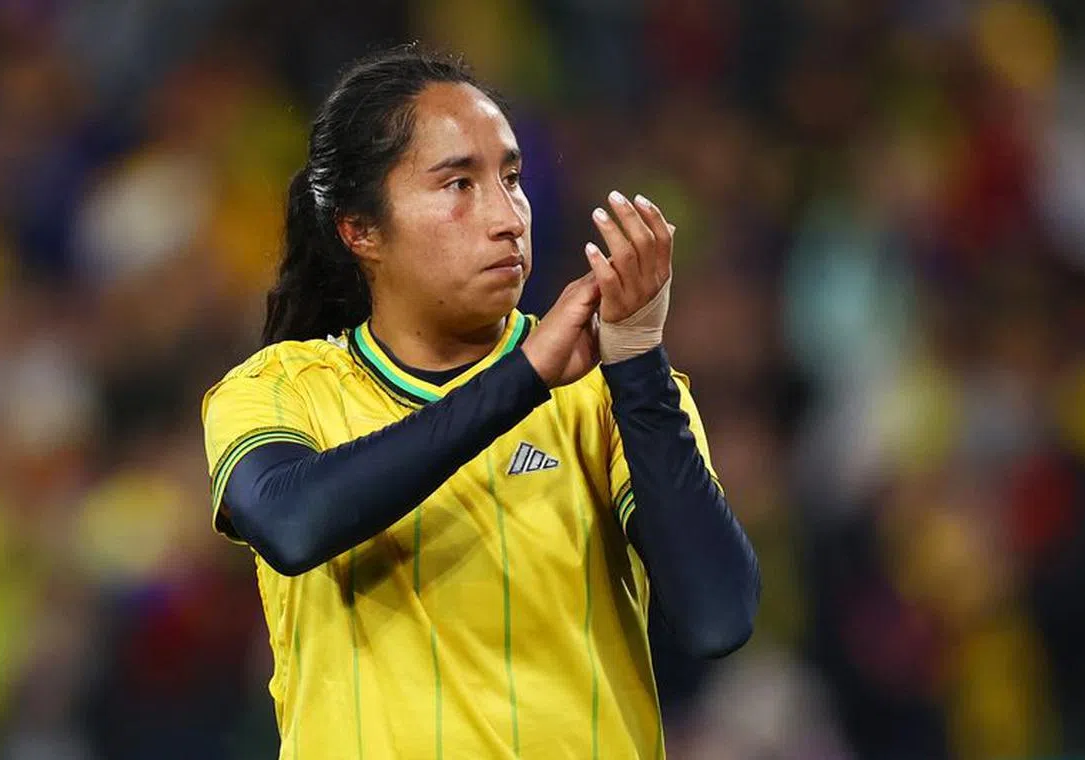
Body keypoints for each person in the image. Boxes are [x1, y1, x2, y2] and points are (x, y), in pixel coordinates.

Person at [201, 44, 759, 759]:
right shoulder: (278, 387)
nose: (507, 216)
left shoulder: (609, 394)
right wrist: (521, 379)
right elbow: (292, 525)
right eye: (458, 184)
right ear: (360, 230)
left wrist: (641, 361)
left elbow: (718, 619)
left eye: (513, 177)